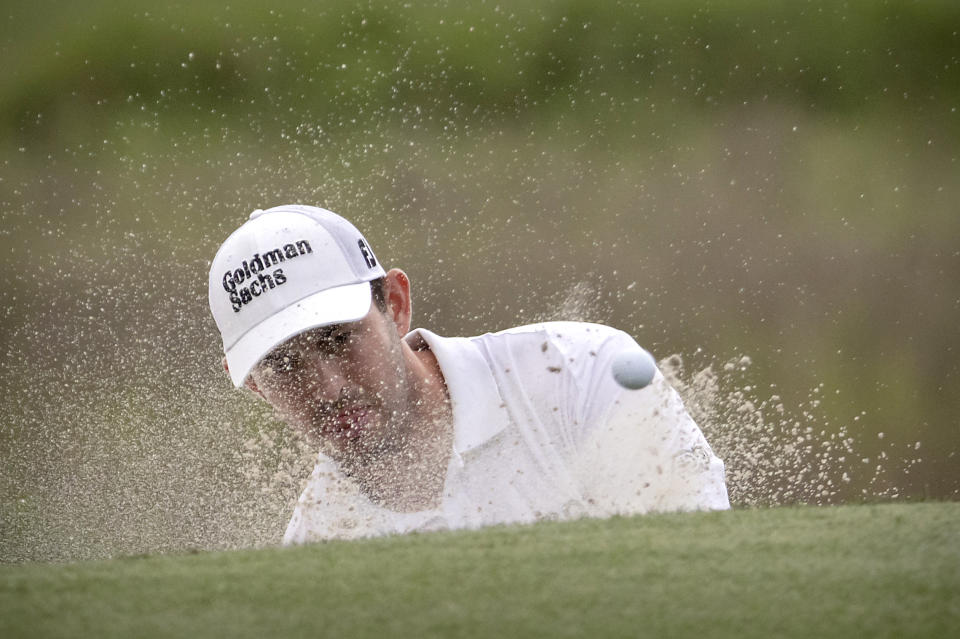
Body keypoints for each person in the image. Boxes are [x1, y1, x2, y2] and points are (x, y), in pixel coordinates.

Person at [208, 204, 729, 543]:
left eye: (339, 340)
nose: (328, 386)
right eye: (283, 365)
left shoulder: (578, 372)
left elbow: (698, 570)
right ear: (253, 384)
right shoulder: (321, 542)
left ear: (395, 303)